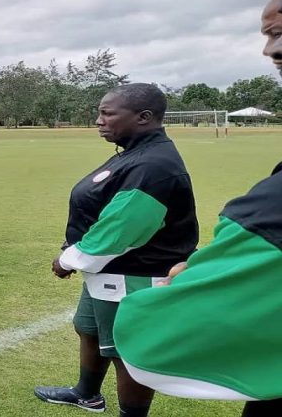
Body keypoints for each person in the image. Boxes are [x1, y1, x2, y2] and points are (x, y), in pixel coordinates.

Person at [112, 0, 282, 417]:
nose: (270, 49)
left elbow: (160, 333)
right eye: (268, 35)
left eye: (278, 33)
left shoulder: (156, 165)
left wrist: (200, 274)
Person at [34, 84, 199, 417]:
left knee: (126, 353)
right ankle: (87, 394)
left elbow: (122, 230)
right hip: (109, 270)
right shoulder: (136, 153)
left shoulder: (154, 166)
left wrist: (69, 259)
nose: (98, 120)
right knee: (89, 328)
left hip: (134, 274)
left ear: (144, 117)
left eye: (107, 113)